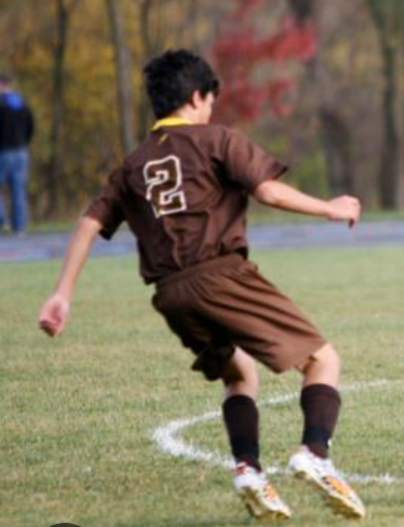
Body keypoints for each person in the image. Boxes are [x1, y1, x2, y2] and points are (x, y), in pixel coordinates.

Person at [37, 50, 366, 520]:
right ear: (196, 97)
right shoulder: (217, 140)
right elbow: (268, 191)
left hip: (171, 295)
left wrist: (62, 293)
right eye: (211, 100)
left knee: (239, 373)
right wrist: (330, 207)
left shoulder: (133, 165)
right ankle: (314, 453)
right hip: (220, 276)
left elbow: (90, 222)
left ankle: (249, 469)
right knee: (323, 359)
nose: (212, 109)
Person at [0, 75, 34, 236]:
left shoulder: (1, 104)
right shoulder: (21, 103)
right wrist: (24, 143)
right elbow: (31, 126)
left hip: (4, 151)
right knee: (18, 190)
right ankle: (19, 228)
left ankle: (2, 221)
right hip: (21, 151)